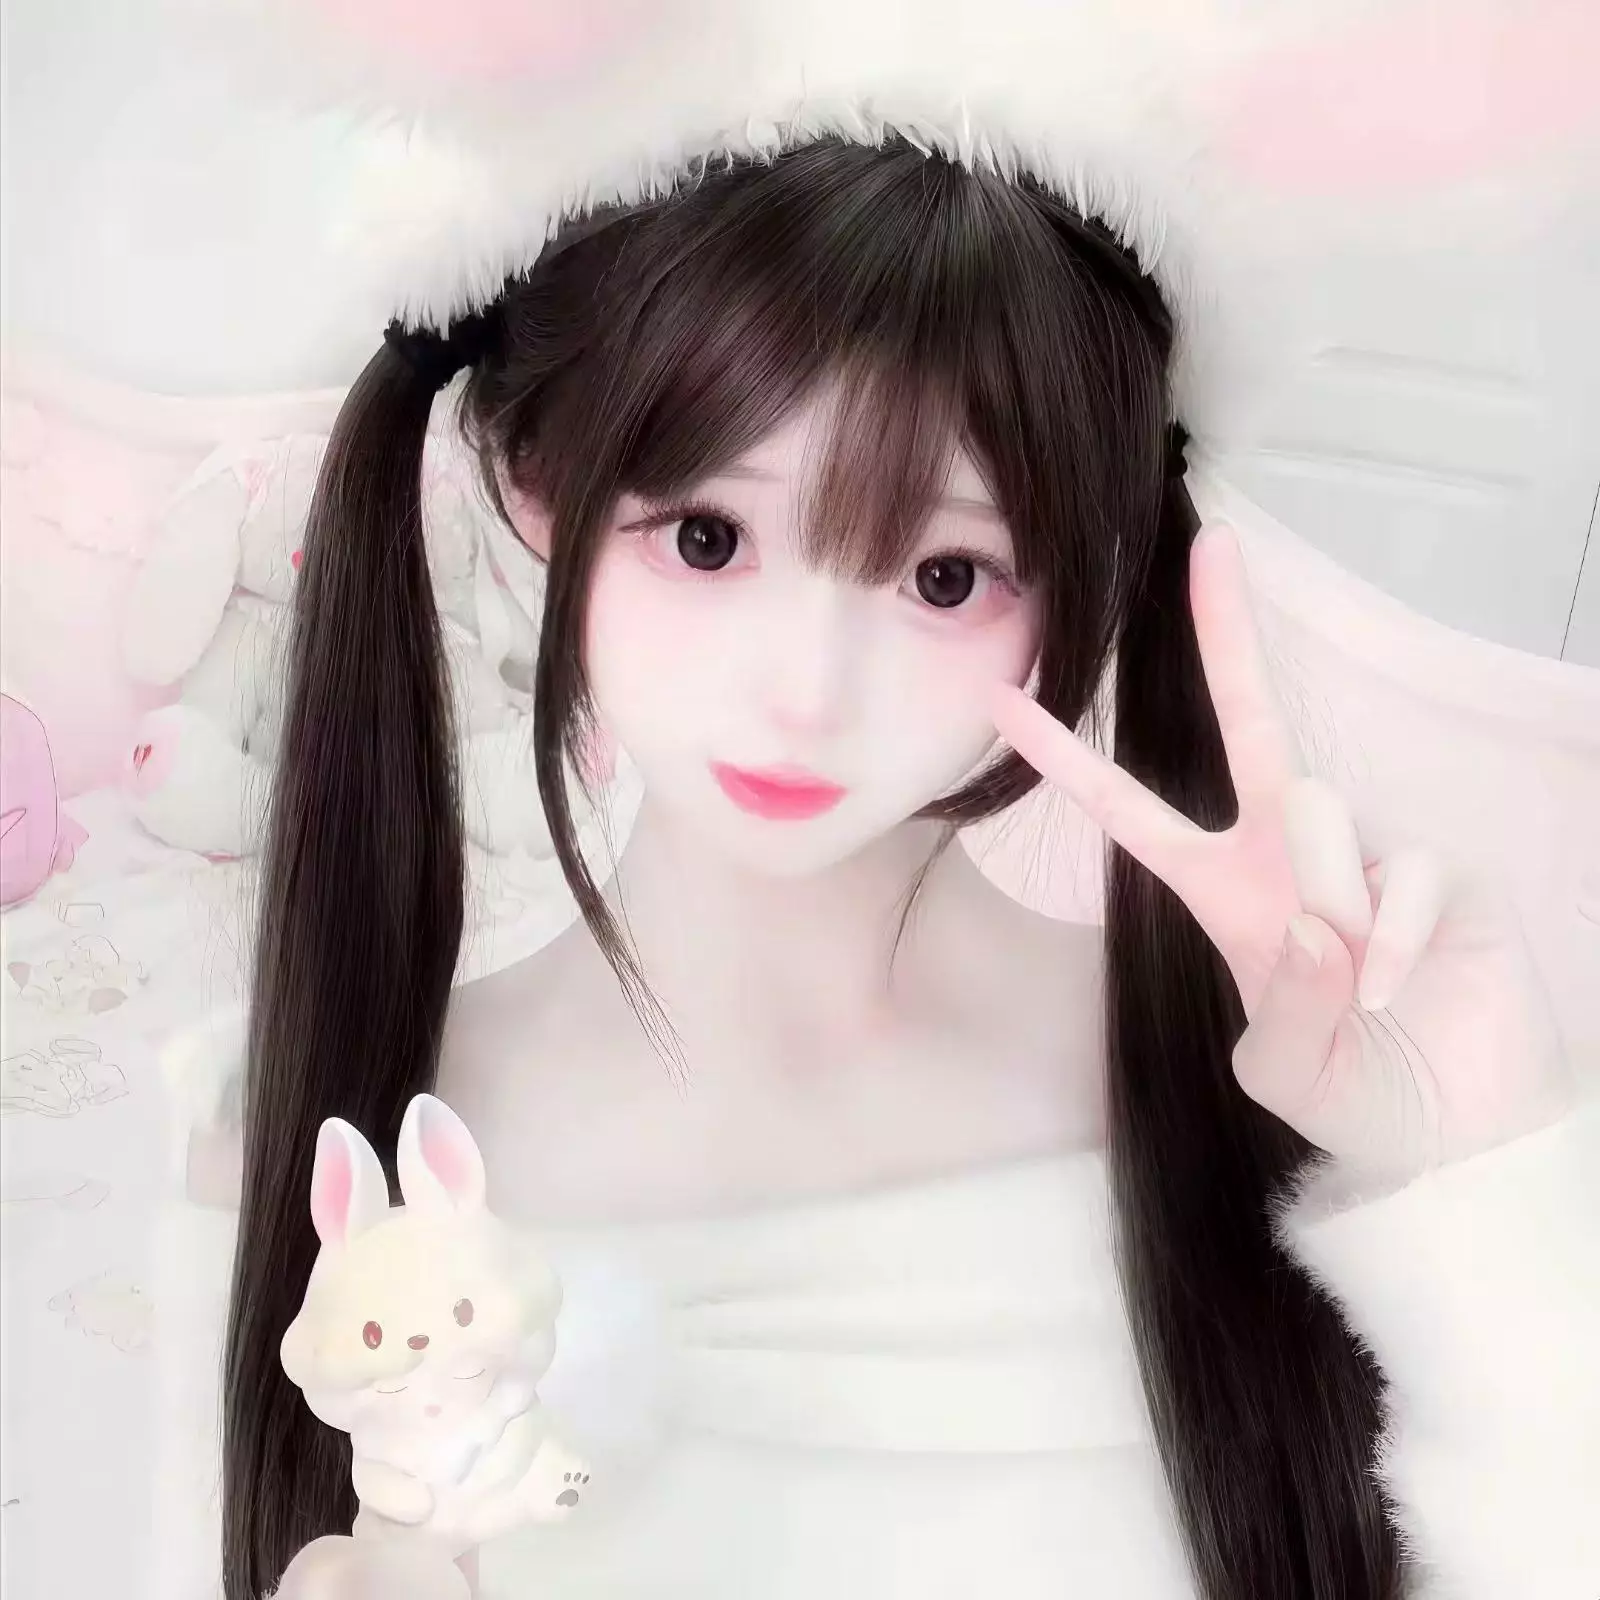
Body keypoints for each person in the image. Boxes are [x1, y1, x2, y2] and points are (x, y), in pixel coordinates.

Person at [230, 137, 1594, 1600]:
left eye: (944, 576)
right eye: (708, 538)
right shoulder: (377, 1161)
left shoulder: (1257, 1073)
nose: (807, 692)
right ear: (542, 491)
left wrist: (1474, 1176)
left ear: (1081, 575)